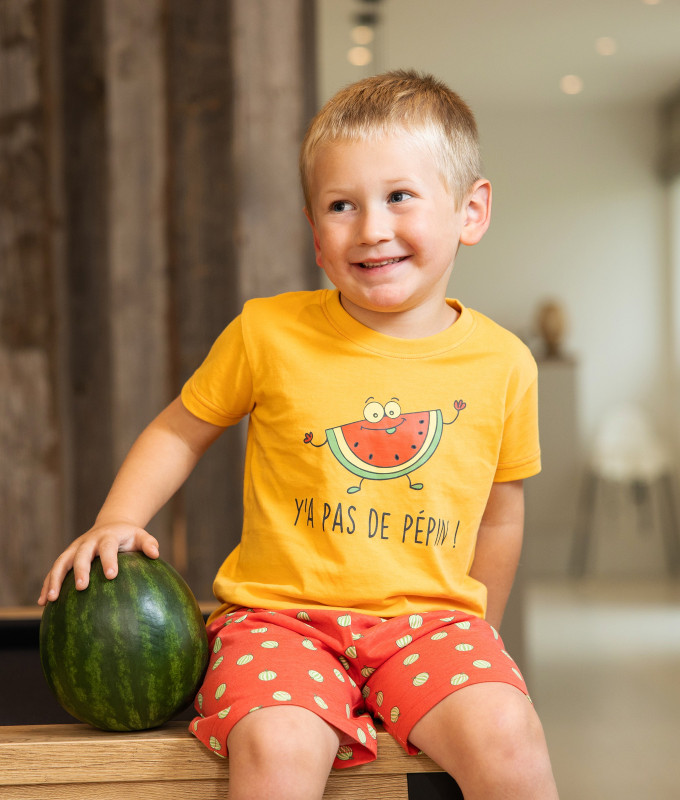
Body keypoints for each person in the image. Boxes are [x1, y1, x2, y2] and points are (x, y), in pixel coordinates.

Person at [39, 69, 559, 799]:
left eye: (400, 196)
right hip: (281, 622)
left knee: (508, 733)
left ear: (470, 211)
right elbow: (180, 429)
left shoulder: (505, 363)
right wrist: (117, 519)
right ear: (317, 235)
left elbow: (500, 513)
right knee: (275, 743)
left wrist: (483, 634)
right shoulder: (268, 331)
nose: (371, 228)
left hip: (432, 625)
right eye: (342, 205)